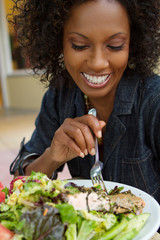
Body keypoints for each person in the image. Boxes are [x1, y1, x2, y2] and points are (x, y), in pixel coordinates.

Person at [9, 0, 160, 204]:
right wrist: (52, 156)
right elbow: (23, 179)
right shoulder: (59, 97)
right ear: (58, 42)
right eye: (79, 45)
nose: (98, 63)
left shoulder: (154, 101)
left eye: (115, 46)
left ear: (132, 43)